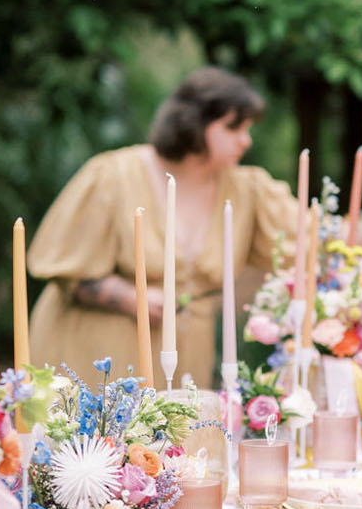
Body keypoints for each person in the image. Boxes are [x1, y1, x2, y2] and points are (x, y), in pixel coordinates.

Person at [27, 67, 299, 389]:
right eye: (233, 127)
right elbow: (64, 272)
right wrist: (130, 296)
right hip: (98, 355)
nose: (246, 140)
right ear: (194, 123)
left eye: (248, 128)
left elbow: (317, 242)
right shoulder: (112, 176)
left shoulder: (248, 190)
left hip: (186, 361)